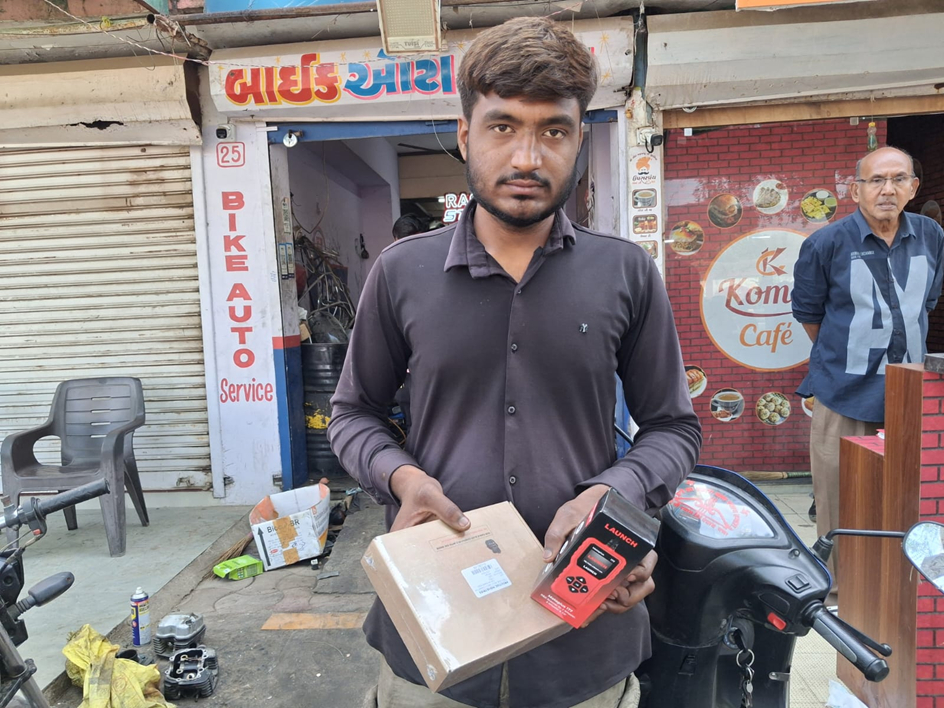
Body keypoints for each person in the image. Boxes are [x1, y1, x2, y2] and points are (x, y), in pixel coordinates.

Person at [328, 17, 701, 708]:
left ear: (579, 140)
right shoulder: (401, 272)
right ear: (465, 134)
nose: (527, 157)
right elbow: (352, 414)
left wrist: (617, 493)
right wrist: (402, 478)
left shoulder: (625, 273)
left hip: (583, 632)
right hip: (434, 633)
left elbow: (673, 428)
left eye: (553, 131)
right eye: (502, 127)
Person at [792, 146, 944, 599]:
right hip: (844, 392)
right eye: (876, 180)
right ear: (855, 190)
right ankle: (838, 590)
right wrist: (847, 354)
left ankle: (900, 587)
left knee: (907, 495)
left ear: (913, 188)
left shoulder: (931, 235)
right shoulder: (826, 244)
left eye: (898, 179)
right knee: (840, 498)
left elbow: (926, 303)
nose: (887, 190)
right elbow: (809, 314)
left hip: (910, 395)